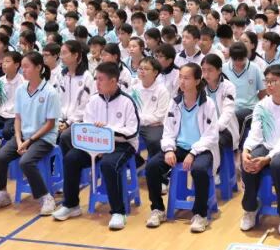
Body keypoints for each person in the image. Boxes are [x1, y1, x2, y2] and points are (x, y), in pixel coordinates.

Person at [53, 62, 140, 231]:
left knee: (108, 164)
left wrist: (108, 131)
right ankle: (71, 205)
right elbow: (87, 125)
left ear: (113, 81)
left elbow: (132, 132)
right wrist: (96, 146)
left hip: (122, 144)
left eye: (101, 79)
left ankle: (118, 212)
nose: (97, 83)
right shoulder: (93, 100)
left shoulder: (127, 101)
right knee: (71, 158)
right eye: (96, 79)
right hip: (94, 145)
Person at [145, 63, 220, 233]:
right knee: (152, 166)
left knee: (199, 170)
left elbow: (211, 136)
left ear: (197, 81)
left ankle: (200, 214)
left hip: (202, 148)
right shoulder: (175, 102)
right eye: (180, 77)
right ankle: (157, 209)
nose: (182, 82)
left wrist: (193, 153)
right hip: (178, 147)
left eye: (187, 78)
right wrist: (169, 149)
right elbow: (168, 131)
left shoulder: (208, 104)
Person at [0, 51, 61, 214]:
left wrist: (29, 141)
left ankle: (46, 197)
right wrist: (19, 139)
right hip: (24, 136)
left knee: (26, 162)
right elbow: (18, 118)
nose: (23, 70)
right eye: (23, 67)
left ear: (39, 68)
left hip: (44, 138)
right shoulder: (21, 90)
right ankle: (2, 194)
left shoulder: (50, 92)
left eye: (27, 67)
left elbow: (50, 124)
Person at [239, 64, 280, 236]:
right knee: (248, 162)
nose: (269, 85)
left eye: (274, 81)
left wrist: (268, 158)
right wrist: (246, 150)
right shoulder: (262, 106)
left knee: (277, 165)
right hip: (267, 145)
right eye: (267, 81)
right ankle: (250, 208)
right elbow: (255, 132)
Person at [132, 56, 170, 164]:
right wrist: (140, 120)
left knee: (155, 140)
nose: (142, 71)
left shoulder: (162, 90)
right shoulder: (134, 88)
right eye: (140, 68)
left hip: (154, 126)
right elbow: (131, 110)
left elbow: (160, 116)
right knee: (122, 138)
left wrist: (140, 119)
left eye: (146, 69)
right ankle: (137, 163)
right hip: (137, 123)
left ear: (155, 72)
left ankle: (156, 166)